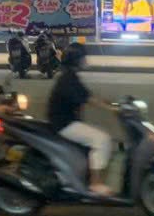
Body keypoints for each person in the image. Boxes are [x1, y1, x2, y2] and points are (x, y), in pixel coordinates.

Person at [47, 43, 113, 195]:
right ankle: (95, 184)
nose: (86, 60)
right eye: (83, 57)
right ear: (76, 60)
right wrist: (112, 109)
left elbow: (88, 95)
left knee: (101, 133)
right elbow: (88, 99)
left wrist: (112, 104)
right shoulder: (68, 80)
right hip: (64, 124)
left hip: (68, 121)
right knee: (101, 139)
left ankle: (89, 174)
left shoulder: (70, 76)